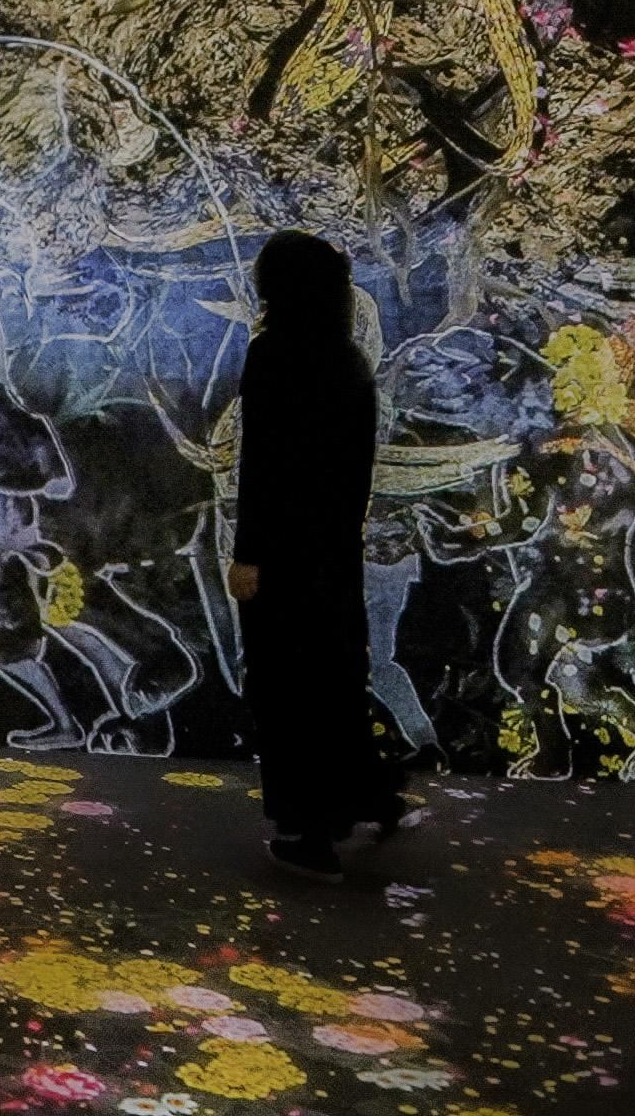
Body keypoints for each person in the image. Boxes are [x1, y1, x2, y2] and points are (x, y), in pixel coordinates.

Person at [224, 229, 410, 880]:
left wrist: (248, 555)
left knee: (285, 690)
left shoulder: (273, 355)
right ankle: (369, 798)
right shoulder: (347, 361)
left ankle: (311, 835)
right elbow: (352, 473)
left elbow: (264, 465)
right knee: (334, 680)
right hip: (333, 553)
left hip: (282, 555)